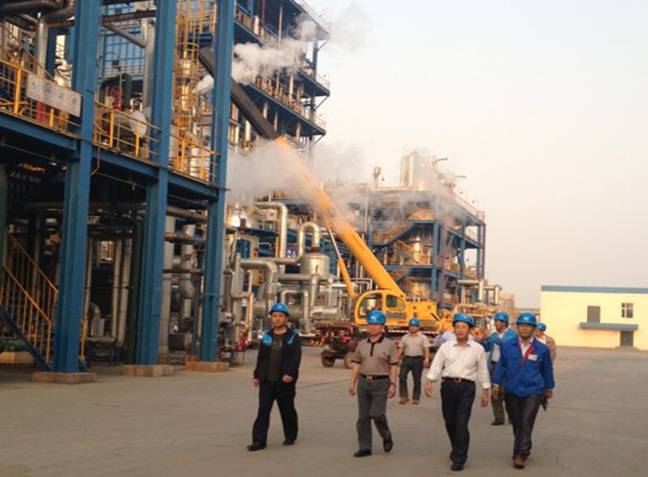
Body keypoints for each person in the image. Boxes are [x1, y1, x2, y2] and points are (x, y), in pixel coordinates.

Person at [424, 313, 491, 472]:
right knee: (450, 422)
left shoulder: (477, 349)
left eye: (464, 327)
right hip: (448, 387)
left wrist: (486, 391)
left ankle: (459, 457)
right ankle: (456, 447)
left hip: (466, 388)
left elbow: (483, 370)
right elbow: (437, 364)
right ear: (453, 329)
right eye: (457, 327)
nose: (460, 330)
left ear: (470, 330)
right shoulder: (446, 347)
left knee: (461, 423)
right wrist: (429, 381)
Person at [492, 313, 555, 469]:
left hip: (533, 390)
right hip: (512, 390)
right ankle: (525, 445)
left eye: (528, 326)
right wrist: (496, 384)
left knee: (526, 422)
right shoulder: (508, 346)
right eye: (522, 325)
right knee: (517, 423)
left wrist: (549, 387)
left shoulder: (542, 349)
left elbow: (547, 369)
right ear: (517, 327)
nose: (525, 328)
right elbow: (501, 366)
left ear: (533, 328)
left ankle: (520, 454)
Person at [248, 303, 302, 451]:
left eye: (280, 316)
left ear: (286, 318)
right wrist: (257, 375)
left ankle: (290, 436)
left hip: (284, 382)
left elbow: (295, 358)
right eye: (275, 316)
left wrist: (290, 374)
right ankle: (259, 441)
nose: (277, 319)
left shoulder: (293, 337)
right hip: (267, 381)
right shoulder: (267, 336)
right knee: (263, 411)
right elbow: (261, 357)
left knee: (287, 410)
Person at [348, 309, 400, 458]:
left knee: (377, 414)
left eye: (376, 324)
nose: (372, 327)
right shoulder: (361, 344)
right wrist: (352, 382)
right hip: (364, 382)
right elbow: (357, 364)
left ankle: (386, 435)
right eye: (370, 324)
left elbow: (394, 366)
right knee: (363, 417)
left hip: (381, 383)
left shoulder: (390, 345)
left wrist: (393, 384)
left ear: (382, 327)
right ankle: (365, 447)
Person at [482, 312, 517, 425]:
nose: (496, 323)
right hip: (494, 365)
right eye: (495, 321)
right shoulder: (494, 335)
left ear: (504, 323)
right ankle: (499, 418)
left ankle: (512, 416)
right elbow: (488, 348)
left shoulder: (512, 334)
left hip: (507, 367)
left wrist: (491, 338)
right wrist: (483, 340)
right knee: (495, 392)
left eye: (498, 321)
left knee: (507, 392)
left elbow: (505, 344)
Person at [398, 318, 431, 405]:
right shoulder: (405, 337)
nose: (412, 328)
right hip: (406, 359)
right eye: (411, 326)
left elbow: (426, 349)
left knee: (417, 379)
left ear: (418, 327)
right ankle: (403, 396)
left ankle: (416, 397)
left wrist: (426, 359)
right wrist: (396, 359)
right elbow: (401, 348)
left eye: (414, 326)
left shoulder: (423, 338)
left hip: (418, 360)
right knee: (402, 376)